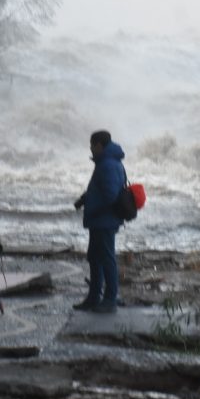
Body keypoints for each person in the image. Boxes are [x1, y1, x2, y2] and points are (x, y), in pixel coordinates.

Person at [73, 130, 127, 314]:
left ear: (98, 145)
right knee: (95, 258)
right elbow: (101, 189)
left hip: (104, 220)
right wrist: (85, 199)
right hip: (100, 220)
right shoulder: (108, 162)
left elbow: (110, 195)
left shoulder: (108, 165)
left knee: (106, 259)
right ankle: (94, 297)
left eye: (91, 145)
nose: (90, 148)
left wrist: (93, 205)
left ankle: (110, 299)